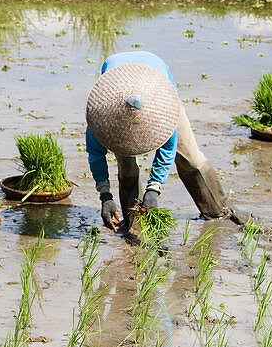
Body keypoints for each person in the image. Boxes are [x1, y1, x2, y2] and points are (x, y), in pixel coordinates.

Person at [84, 51, 247, 232]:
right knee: (127, 165)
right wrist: (105, 196)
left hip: (158, 93)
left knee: (192, 158)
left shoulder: (163, 111)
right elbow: (96, 154)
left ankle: (217, 210)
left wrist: (154, 189)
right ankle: (134, 223)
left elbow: (168, 149)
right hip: (116, 94)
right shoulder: (102, 116)